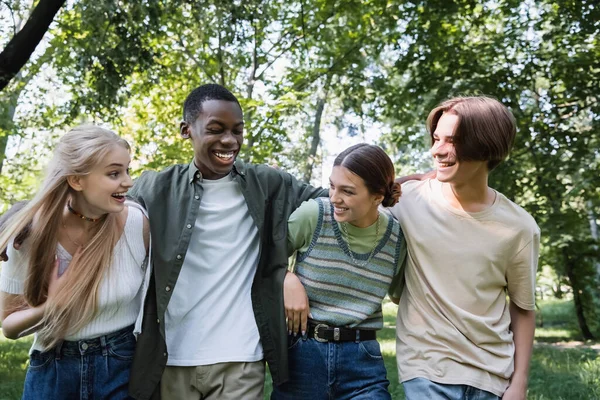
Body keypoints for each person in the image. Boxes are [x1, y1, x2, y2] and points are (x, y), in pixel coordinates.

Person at [125, 83, 327, 400]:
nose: (230, 141)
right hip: (173, 358)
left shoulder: (268, 183)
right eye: (216, 130)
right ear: (186, 130)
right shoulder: (155, 188)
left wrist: (403, 185)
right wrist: (23, 218)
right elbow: (97, 208)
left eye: (237, 130)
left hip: (241, 357)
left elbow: (338, 198)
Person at [389, 96, 539, 400]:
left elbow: (523, 308)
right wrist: (287, 276)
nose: (436, 150)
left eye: (452, 141)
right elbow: (350, 201)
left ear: (485, 147)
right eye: (436, 138)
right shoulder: (409, 200)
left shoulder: (520, 227)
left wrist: (519, 382)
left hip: (493, 375)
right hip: (427, 367)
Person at [0, 125, 150, 399]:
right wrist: (52, 306)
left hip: (122, 365)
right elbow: (8, 325)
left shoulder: (137, 225)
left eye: (127, 170)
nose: (128, 182)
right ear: (76, 180)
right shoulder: (30, 235)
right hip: (53, 369)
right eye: (114, 173)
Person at [272, 143, 406, 399]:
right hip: (303, 353)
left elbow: (401, 296)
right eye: (333, 186)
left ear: (377, 197)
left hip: (363, 361)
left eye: (347, 191)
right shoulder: (315, 214)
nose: (334, 197)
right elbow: (265, 259)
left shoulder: (396, 238)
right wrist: (286, 278)